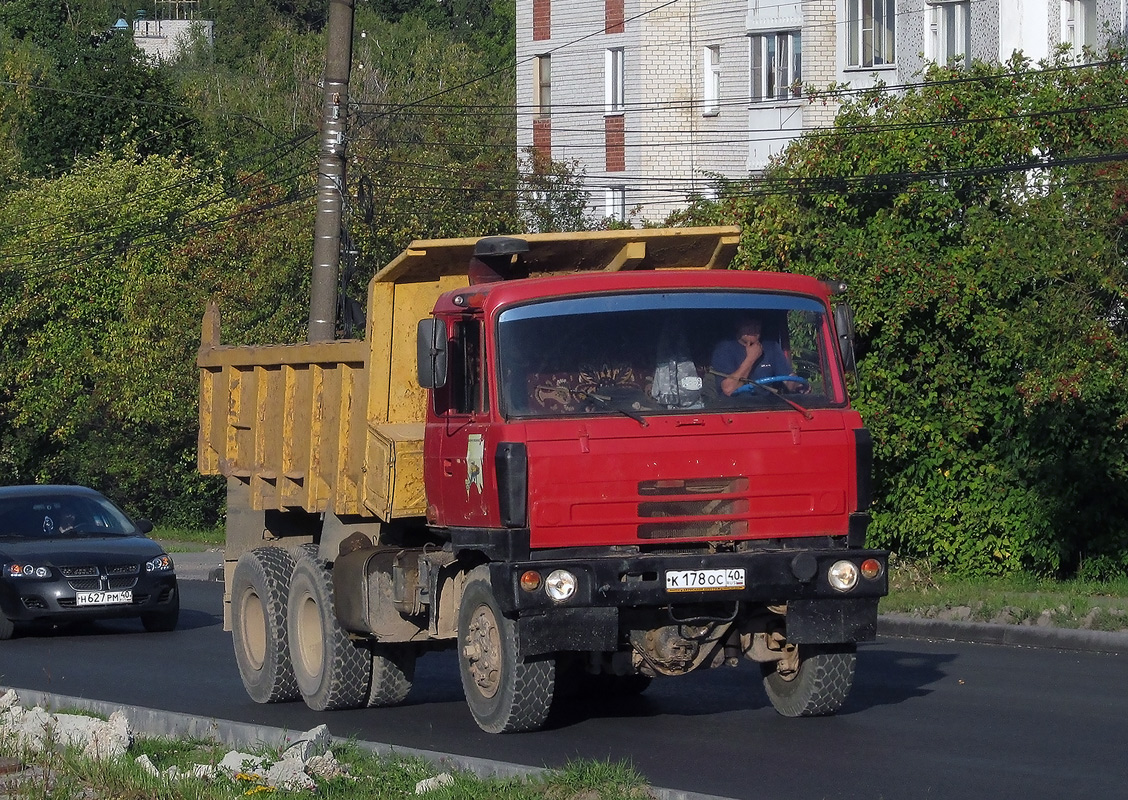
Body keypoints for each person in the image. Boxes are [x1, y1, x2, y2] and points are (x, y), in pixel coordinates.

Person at [711, 316, 800, 396]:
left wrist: (798, 385)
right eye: (748, 324)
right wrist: (751, 358)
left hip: (767, 407)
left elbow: (788, 379)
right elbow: (728, 389)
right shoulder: (724, 350)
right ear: (738, 325)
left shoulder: (771, 347)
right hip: (734, 409)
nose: (753, 329)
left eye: (757, 324)